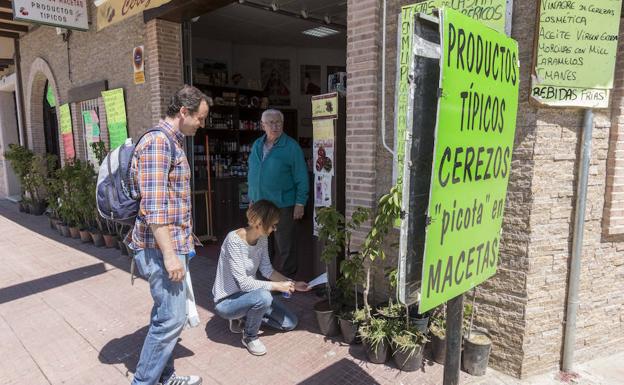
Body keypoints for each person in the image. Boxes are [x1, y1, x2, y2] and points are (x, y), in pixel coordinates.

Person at [128, 85, 209, 385]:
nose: (202, 124)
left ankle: (166, 376)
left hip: (169, 246)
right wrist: (170, 254)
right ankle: (143, 382)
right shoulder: (159, 144)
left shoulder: (171, 142)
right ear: (184, 112)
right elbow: (154, 208)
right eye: (200, 118)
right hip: (159, 248)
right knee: (172, 319)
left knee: (165, 315)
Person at [212, 200, 310, 356]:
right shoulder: (234, 240)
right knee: (264, 297)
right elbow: (243, 283)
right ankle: (250, 336)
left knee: (290, 323)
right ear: (259, 223)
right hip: (227, 302)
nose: (274, 229)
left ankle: (244, 317)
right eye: (272, 225)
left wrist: (293, 283)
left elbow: (267, 270)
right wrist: (277, 286)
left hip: (250, 295)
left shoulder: (262, 238)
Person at [247, 109, 309, 277]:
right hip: (260, 205)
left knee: (285, 246)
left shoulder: (291, 147)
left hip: (283, 205)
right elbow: (252, 172)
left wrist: (300, 203)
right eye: (271, 123)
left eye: (278, 122)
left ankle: (287, 279)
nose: (275, 126)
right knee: (262, 244)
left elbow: (302, 177)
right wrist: (252, 198)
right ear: (263, 125)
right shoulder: (257, 145)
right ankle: (264, 277)